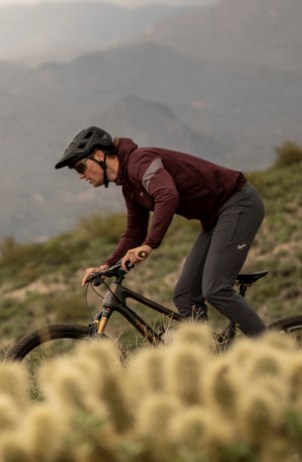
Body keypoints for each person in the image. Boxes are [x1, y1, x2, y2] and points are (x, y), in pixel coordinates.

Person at [56, 126, 266, 337]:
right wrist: (106, 266)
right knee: (185, 296)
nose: (81, 176)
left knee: (216, 290)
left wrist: (149, 245)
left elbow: (167, 195)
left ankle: (273, 348)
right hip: (214, 220)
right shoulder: (129, 185)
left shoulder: (141, 162)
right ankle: (206, 351)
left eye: (80, 167)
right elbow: (134, 232)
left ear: (99, 156)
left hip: (238, 204)